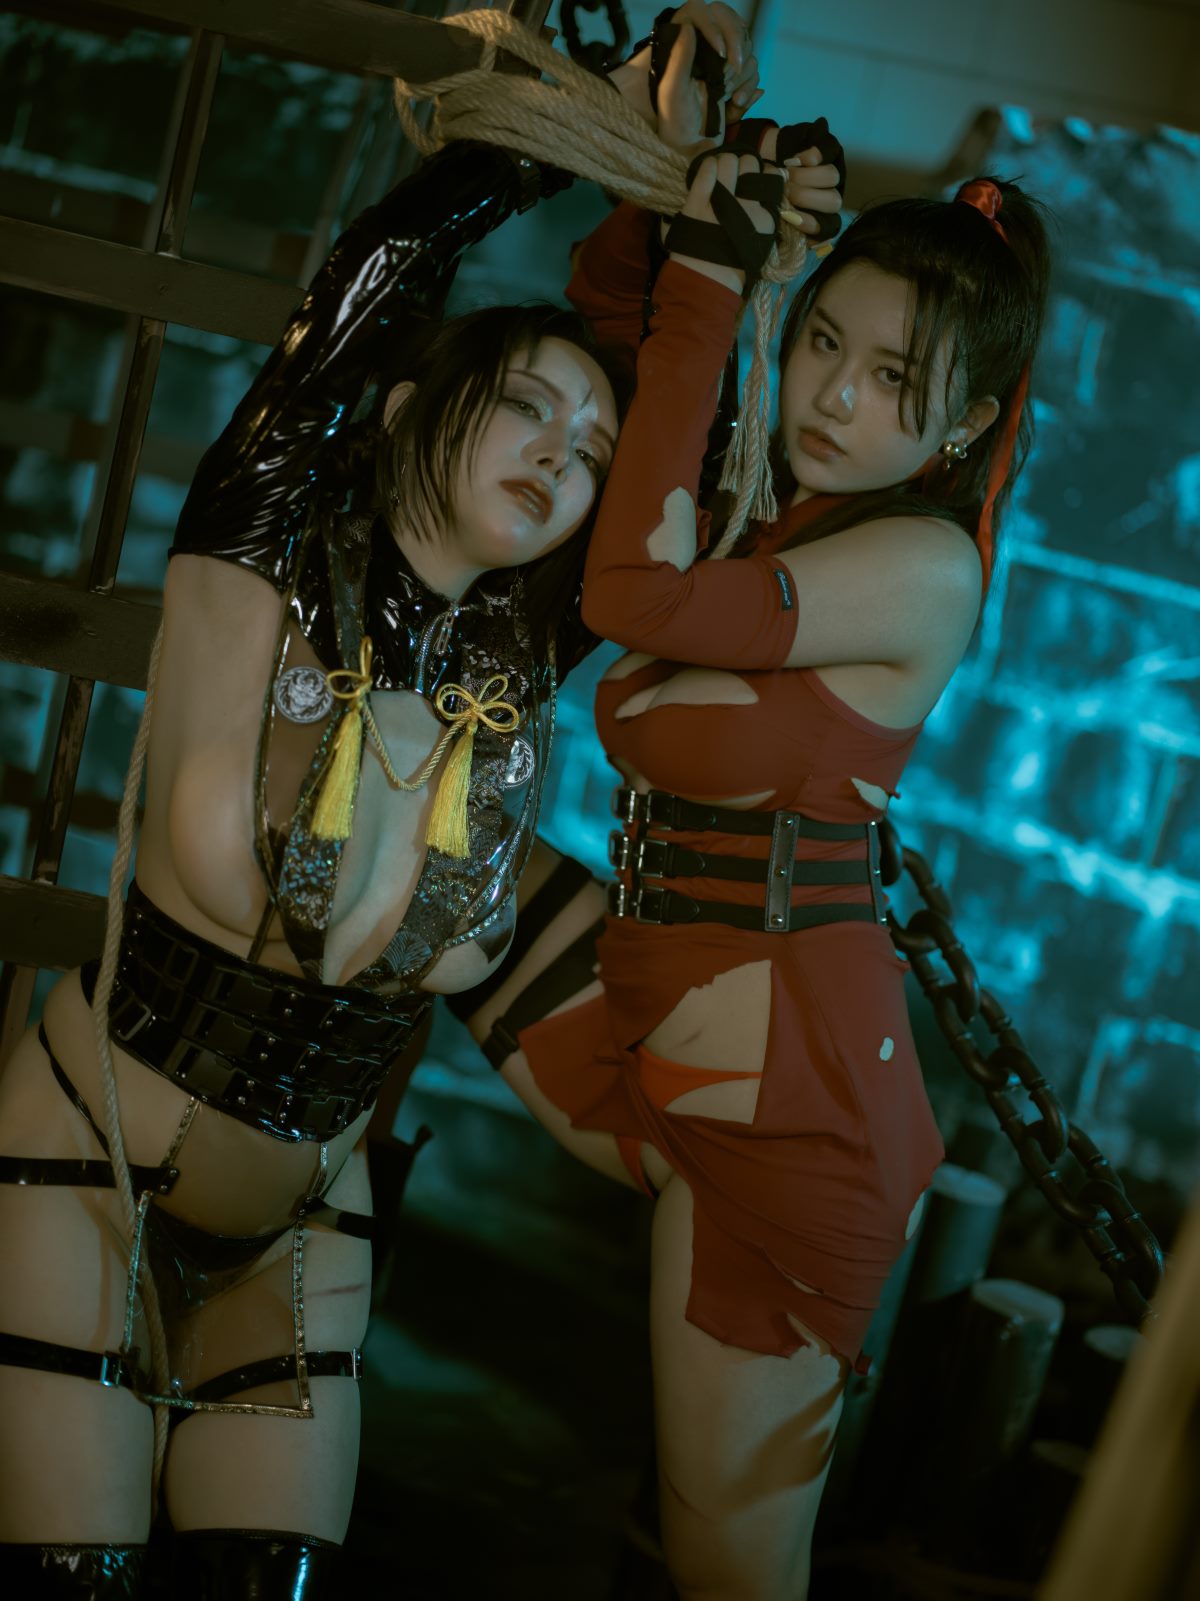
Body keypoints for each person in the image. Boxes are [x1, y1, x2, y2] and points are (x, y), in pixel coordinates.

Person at [455, 9, 1051, 1598]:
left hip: (789, 1126)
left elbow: (633, 593)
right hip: (658, 1035)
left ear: (965, 423)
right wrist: (680, 193)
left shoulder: (920, 566)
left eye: (893, 378)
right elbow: (621, 338)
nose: (832, 396)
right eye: (824, 343)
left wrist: (722, 279)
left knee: (727, 1568)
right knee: (422, 876)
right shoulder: (782, 508)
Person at [0, 126, 632, 1595]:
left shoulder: (518, 659)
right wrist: (542, 146)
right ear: (409, 406)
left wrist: (716, 235)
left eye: (593, 448)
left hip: (301, 1232)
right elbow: (359, 293)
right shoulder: (265, 536)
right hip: (85, 1170)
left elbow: (701, 472)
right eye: (526, 406)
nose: (564, 453)